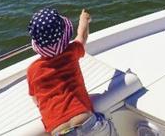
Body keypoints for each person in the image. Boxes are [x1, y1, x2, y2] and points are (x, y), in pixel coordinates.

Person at [26, 8, 117, 136]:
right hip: (87, 122)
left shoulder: (32, 70)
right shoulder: (71, 52)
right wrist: (84, 19)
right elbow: (82, 36)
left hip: (60, 132)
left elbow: (35, 99)